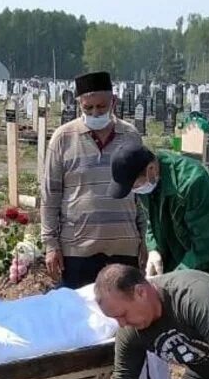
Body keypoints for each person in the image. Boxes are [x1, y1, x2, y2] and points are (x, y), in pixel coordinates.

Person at [41, 72, 146, 288]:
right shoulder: (63, 139)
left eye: (101, 107)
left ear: (113, 102)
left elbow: (142, 193)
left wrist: (145, 240)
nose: (95, 113)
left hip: (124, 248)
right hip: (78, 250)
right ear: (79, 104)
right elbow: (50, 196)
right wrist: (51, 245)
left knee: (123, 318)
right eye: (88, 108)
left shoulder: (131, 136)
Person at [108, 145, 209, 285]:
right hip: (182, 259)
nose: (135, 191)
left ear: (150, 169)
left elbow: (204, 245)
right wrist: (154, 250)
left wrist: (173, 280)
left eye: (134, 186)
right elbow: (151, 219)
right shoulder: (147, 184)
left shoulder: (194, 183)